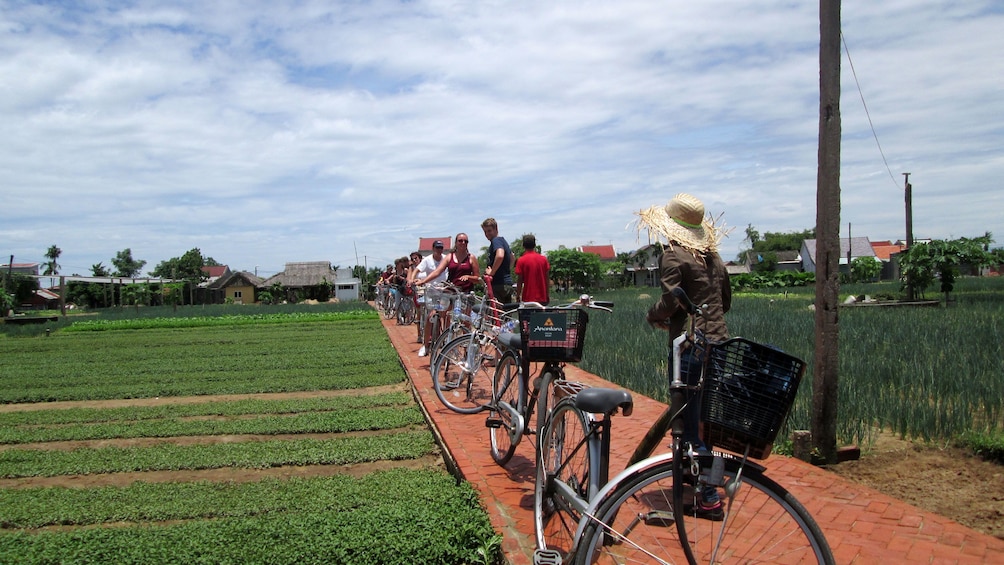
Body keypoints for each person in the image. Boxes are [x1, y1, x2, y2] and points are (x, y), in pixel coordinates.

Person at [641, 193, 731, 520]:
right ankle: (701, 480)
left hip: (690, 345)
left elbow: (672, 300)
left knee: (689, 423)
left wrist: (653, 316)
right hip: (719, 343)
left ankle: (707, 497)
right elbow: (724, 301)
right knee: (705, 420)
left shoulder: (672, 255)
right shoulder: (714, 258)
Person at [412, 241, 449, 356]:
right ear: (433, 248)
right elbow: (417, 270)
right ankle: (426, 345)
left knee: (446, 316)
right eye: (437, 247)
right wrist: (412, 279)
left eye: (441, 248)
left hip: (444, 290)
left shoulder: (446, 258)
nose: (439, 250)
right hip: (431, 291)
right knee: (430, 316)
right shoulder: (427, 260)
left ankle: (447, 342)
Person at [480, 218, 514, 302]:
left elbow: (500, 255)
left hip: (497, 285)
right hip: (507, 284)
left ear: (496, 229)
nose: (487, 234)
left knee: (494, 313)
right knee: (506, 313)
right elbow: (512, 257)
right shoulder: (503, 241)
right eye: (485, 232)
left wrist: (492, 273)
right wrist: (506, 271)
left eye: (489, 231)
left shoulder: (496, 241)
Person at [514, 234, 550, 305]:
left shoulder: (521, 260)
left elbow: (520, 281)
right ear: (534, 245)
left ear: (523, 245)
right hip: (542, 298)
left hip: (528, 299)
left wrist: (518, 295)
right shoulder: (544, 260)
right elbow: (547, 279)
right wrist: (547, 294)